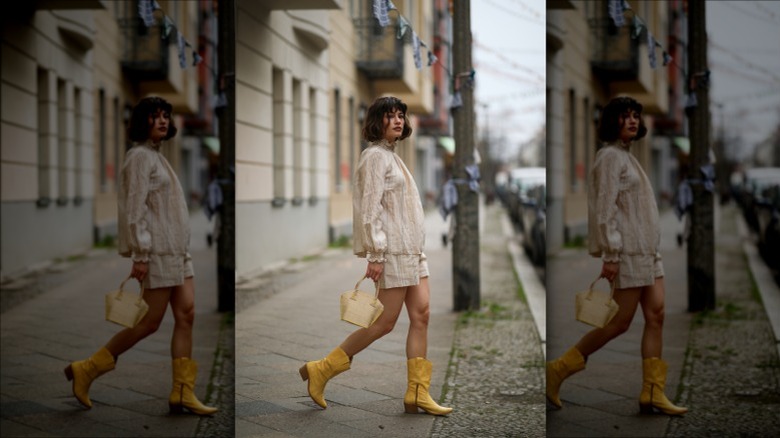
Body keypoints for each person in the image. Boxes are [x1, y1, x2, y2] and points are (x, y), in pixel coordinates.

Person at [298, 96, 452, 416]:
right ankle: (322, 369)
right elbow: (369, 209)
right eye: (390, 116)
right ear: (376, 121)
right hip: (393, 250)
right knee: (384, 323)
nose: (398, 120)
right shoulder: (374, 157)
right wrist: (376, 253)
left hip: (413, 251)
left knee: (421, 314)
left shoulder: (393, 156)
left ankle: (418, 393)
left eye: (401, 115)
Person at [64, 97, 217, 416]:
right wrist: (141, 253)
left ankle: (183, 392)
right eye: (155, 116)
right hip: (157, 251)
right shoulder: (138, 157)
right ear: (142, 121)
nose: (162, 120)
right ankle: (88, 369)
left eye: (165, 115)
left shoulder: (157, 156)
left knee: (187, 314)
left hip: (178, 252)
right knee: (149, 322)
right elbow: (133, 209)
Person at [546, 96, 687, 416]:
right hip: (628, 252)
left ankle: (652, 392)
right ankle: (557, 369)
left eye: (636, 115)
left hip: (648, 251)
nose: (633, 121)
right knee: (618, 323)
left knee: (657, 315)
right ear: (613, 121)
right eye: (626, 116)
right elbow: (604, 208)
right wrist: (611, 253)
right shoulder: (609, 157)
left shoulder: (626, 156)